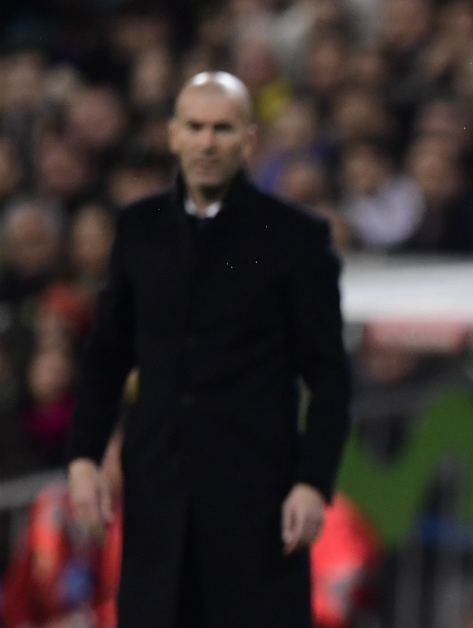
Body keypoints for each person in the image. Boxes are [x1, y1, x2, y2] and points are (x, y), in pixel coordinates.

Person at [66, 72, 352, 628]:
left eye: (223, 129)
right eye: (194, 127)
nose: (206, 142)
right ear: (173, 135)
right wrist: (82, 456)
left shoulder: (296, 238)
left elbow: (330, 377)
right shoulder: (138, 229)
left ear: (248, 141)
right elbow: (106, 355)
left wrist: (314, 482)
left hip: (257, 511)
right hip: (157, 505)